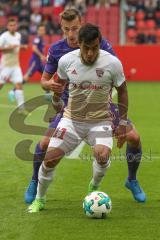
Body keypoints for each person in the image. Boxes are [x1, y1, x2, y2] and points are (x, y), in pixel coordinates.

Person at [25, 9, 146, 205]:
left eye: (74, 28)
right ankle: (34, 181)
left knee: (134, 137)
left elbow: (114, 74)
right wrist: (49, 86)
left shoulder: (101, 45)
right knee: (45, 144)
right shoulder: (57, 50)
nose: (71, 34)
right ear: (61, 28)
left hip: (100, 104)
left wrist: (121, 121)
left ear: (81, 26)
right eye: (67, 29)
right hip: (68, 105)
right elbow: (44, 81)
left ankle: (132, 179)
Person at [8, 24, 47, 102]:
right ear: (38, 31)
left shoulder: (42, 39)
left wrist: (43, 56)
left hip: (39, 62)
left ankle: (47, 94)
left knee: (46, 76)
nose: (42, 31)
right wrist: (41, 55)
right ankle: (13, 91)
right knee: (26, 77)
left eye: (43, 30)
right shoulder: (37, 39)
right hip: (35, 62)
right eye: (41, 30)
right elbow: (34, 48)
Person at [0, 18, 27, 114]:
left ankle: (21, 109)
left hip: (16, 66)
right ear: (7, 27)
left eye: (14, 25)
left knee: (19, 85)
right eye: (10, 25)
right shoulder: (4, 36)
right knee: (1, 85)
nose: (12, 27)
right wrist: (9, 48)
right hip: (5, 66)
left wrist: (22, 47)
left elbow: (17, 46)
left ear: (16, 26)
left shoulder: (18, 35)